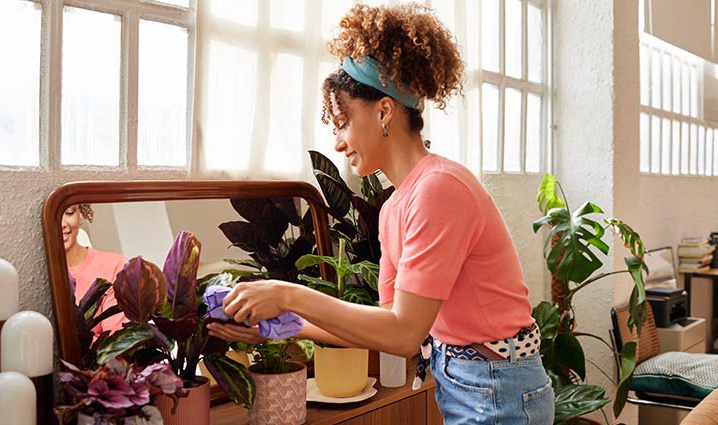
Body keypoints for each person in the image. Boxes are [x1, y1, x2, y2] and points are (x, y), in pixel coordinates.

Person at [208, 4, 554, 423]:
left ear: (384, 111)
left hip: (499, 390)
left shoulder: (440, 189)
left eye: (342, 121)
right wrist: (283, 323)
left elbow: (406, 332)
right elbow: (389, 330)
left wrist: (287, 293)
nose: (338, 142)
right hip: (473, 384)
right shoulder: (395, 208)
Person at [63, 203, 127, 337]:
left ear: (80, 213)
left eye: (69, 213)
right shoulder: (39, 277)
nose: (62, 224)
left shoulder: (115, 266)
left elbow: (116, 342)